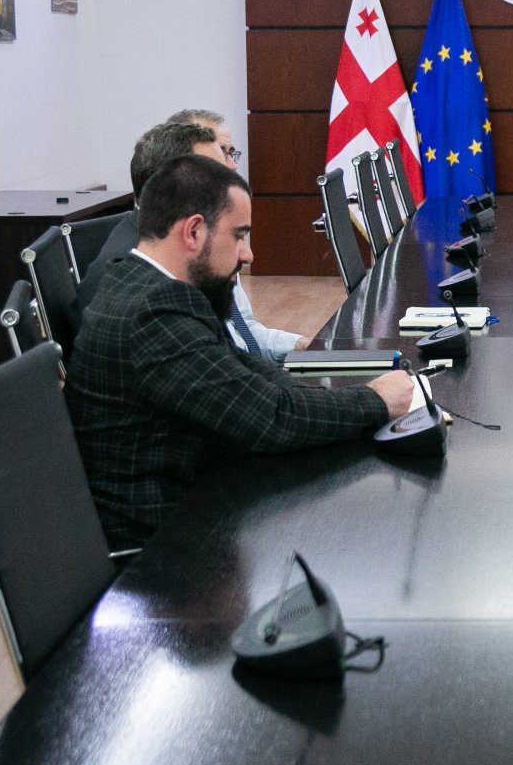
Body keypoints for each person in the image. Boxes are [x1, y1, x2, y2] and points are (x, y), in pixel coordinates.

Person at [65, 155, 413, 548]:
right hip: (166, 548)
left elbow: (244, 370)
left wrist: (330, 396)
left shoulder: (140, 281)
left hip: (199, 500)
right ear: (194, 232)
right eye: (239, 235)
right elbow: (270, 418)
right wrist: (377, 401)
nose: (248, 255)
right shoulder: (155, 314)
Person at [80, 112, 307, 357]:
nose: (232, 167)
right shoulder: (156, 282)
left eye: (230, 153)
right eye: (215, 167)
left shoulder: (198, 243)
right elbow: (219, 365)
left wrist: (300, 346)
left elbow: (240, 335)